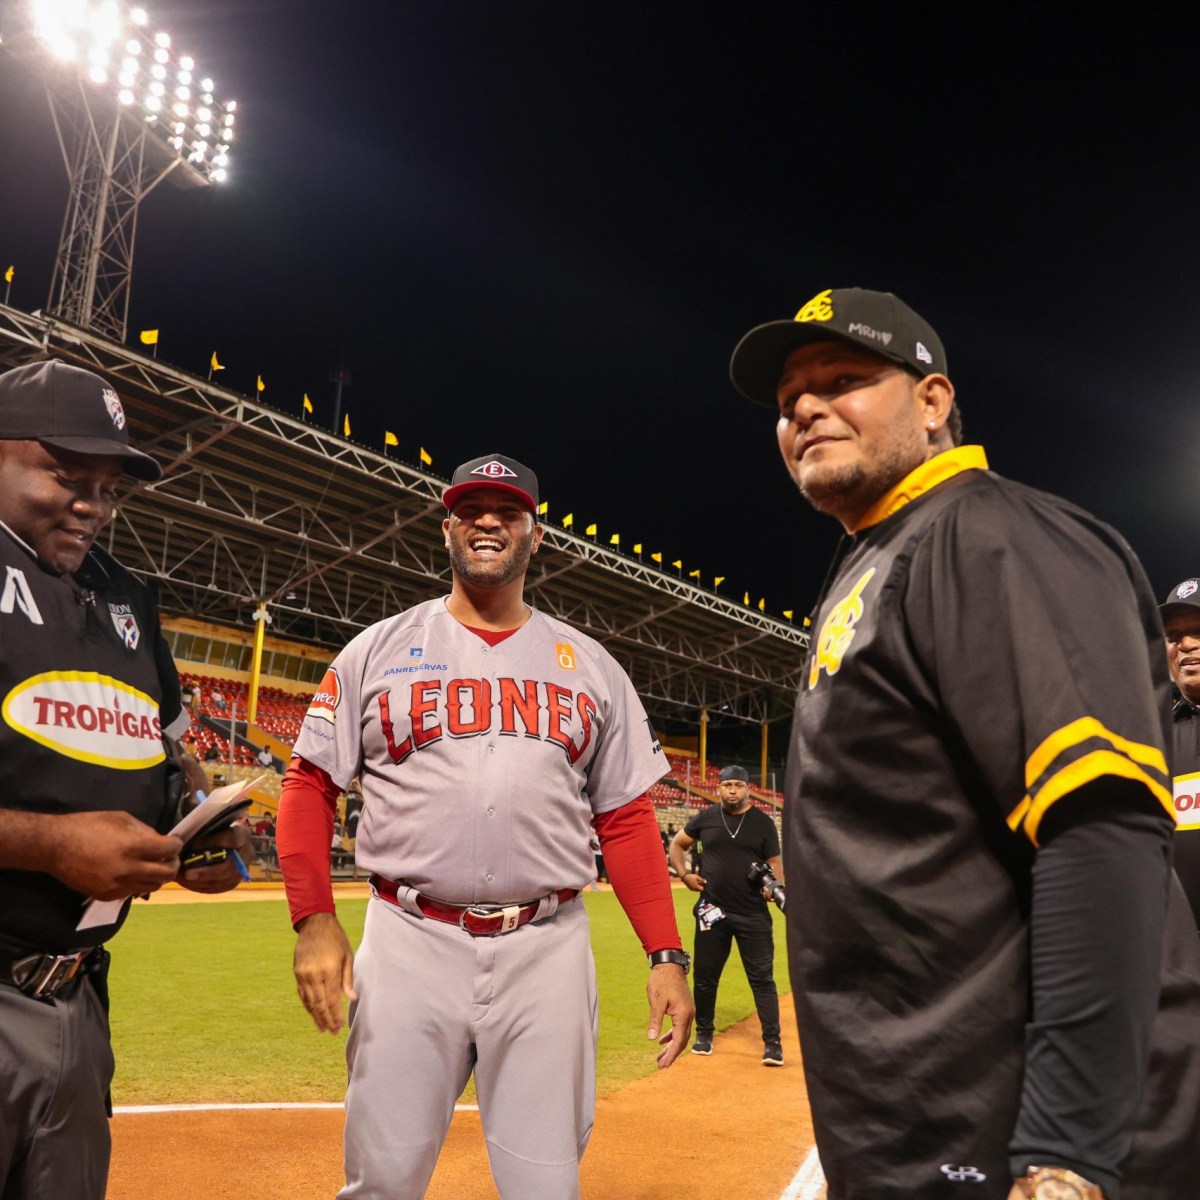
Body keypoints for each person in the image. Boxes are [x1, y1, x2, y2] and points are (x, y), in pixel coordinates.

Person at [729, 288, 1200, 1200]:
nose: (806, 410)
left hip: (1019, 1138)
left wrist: (1067, 1154)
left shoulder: (992, 535)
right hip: (930, 1124)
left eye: (844, 379)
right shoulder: (878, 558)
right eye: (790, 402)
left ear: (934, 401)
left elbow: (1100, 828)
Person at [276, 452, 693, 1200]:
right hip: (408, 940)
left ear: (538, 537)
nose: (488, 522)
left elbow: (627, 820)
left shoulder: (591, 665)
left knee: (544, 1186)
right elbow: (309, 784)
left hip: (547, 948)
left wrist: (666, 953)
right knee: (382, 1180)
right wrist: (313, 917)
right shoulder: (375, 649)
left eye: (507, 511)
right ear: (448, 530)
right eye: (471, 510)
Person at [0, 360, 250, 1200]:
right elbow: (57, 833)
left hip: (76, 1000)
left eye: (108, 488)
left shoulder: (127, 600)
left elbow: (173, 757)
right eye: (67, 477)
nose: (93, 506)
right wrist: (48, 844)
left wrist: (201, 827)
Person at [669, 764, 783, 1064]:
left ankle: (772, 1043)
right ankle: (704, 1035)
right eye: (727, 785)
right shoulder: (706, 818)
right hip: (712, 910)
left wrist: (775, 886)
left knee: (762, 979)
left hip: (752, 914)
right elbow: (677, 844)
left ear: (748, 789)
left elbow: (774, 860)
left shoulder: (762, 822)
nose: (733, 790)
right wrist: (684, 875)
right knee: (706, 977)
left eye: (739, 785)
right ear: (718, 788)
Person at [1159, 578, 1200, 930]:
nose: (1185, 645)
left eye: (1198, 631)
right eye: (1173, 636)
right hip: (1176, 955)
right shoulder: (1153, 737)